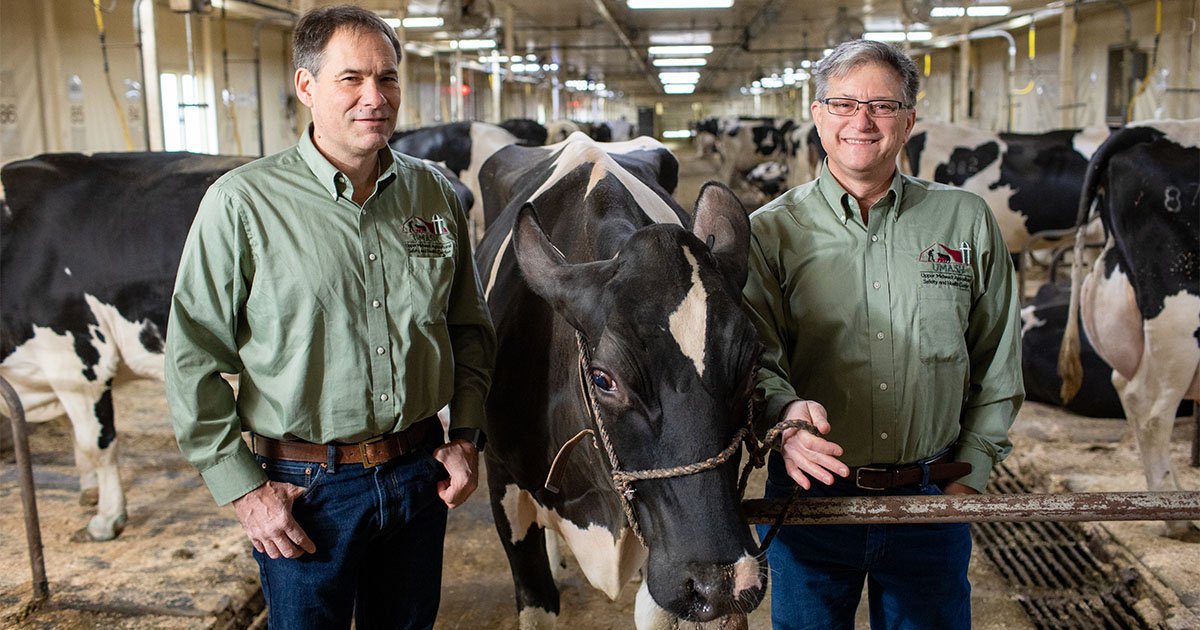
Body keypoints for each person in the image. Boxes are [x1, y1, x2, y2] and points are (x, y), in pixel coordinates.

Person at [164, 5, 495, 629]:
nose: (375, 97)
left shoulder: (435, 195)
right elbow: (192, 357)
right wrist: (242, 488)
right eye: (352, 79)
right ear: (306, 86)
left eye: (388, 78)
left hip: (418, 472)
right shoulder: (241, 205)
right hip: (305, 490)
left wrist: (466, 437)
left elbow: (469, 328)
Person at [741, 39, 1023, 630]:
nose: (861, 122)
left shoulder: (965, 219)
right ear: (817, 115)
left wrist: (972, 468)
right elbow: (755, 357)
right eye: (842, 104)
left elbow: (998, 356)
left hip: (931, 497)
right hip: (810, 499)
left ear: (909, 120)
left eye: (883, 106)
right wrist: (785, 424)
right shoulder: (769, 233)